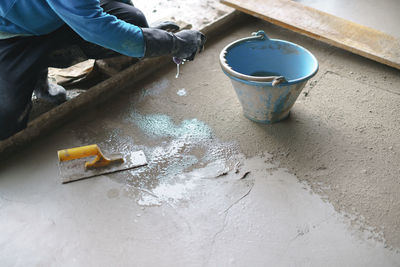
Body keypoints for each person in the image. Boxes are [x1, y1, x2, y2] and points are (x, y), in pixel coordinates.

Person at [0, 0, 206, 140]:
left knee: (132, 20)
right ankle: (34, 75)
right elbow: (97, 27)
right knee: (7, 122)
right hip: (10, 35)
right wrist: (174, 44)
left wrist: (145, 34)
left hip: (59, 14)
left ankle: (35, 67)